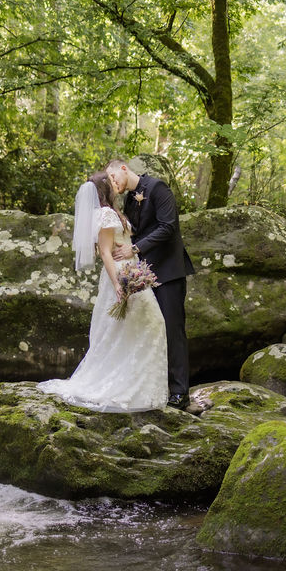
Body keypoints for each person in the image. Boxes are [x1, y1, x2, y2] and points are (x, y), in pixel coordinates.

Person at [36, 172, 168, 412]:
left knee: (133, 329)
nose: (117, 182)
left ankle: (138, 387)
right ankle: (131, 388)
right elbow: (105, 252)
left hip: (131, 268)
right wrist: (119, 283)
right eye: (112, 180)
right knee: (152, 323)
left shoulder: (111, 211)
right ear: (105, 188)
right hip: (122, 273)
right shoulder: (106, 214)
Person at [106, 159, 195, 410]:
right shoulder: (128, 199)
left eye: (114, 177)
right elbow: (135, 230)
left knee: (172, 330)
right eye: (110, 182)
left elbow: (168, 226)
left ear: (123, 168)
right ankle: (156, 387)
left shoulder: (157, 188)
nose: (113, 184)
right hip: (143, 276)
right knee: (149, 330)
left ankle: (180, 393)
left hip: (168, 271)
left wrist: (134, 248)